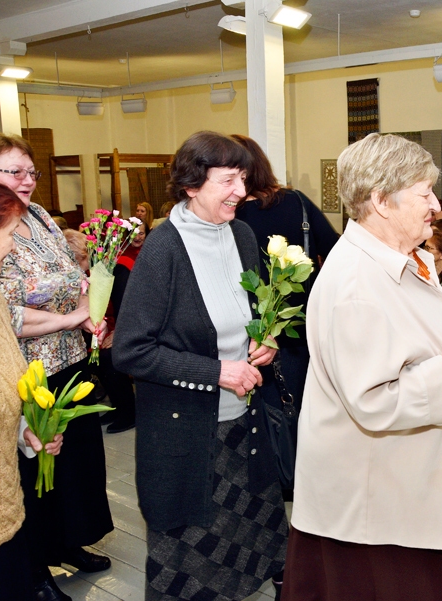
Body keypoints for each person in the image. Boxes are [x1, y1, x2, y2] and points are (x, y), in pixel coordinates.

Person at [283, 133, 442, 601]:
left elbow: (422, 349)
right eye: (424, 193)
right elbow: (376, 402)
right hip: (371, 509)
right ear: (380, 201)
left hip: (400, 491)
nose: (436, 205)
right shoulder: (357, 283)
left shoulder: (406, 259)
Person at [113, 131, 288, 600]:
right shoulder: (163, 250)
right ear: (192, 186)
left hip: (244, 428)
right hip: (188, 436)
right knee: (192, 561)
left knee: (253, 538)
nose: (242, 191)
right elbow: (129, 350)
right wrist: (217, 372)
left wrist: (264, 339)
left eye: (244, 179)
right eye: (229, 180)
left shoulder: (243, 236)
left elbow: (246, 312)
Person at [0, 132, 113, 601]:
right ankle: (35, 566)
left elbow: (72, 272)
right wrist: (70, 317)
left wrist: (91, 307)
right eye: (13, 171)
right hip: (24, 371)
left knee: (76, 463)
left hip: (70, 358)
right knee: (34, 467)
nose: (26, 181)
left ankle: (69, 542)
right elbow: (4, 312)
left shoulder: (38, 216)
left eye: (31, 172)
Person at [0, 180, 65, 601]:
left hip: (4, 512)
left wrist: (24, 433)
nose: (15, 248)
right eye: (8, 235)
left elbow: (3, 394)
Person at [232, 133, 340, 415]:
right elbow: (337, 249)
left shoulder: (230, 216)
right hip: (303, 320)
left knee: (264, 413)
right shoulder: (297, 201)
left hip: (251, 327)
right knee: (304, 405)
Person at [96, 221, 147, 434]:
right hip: (113, 321)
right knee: (97, 359)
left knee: (109, 358)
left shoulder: (124, 264)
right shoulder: (109, 261)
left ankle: (128, 411)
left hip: (133, 324)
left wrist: (119, 332)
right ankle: (117, 407)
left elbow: (127, 303)